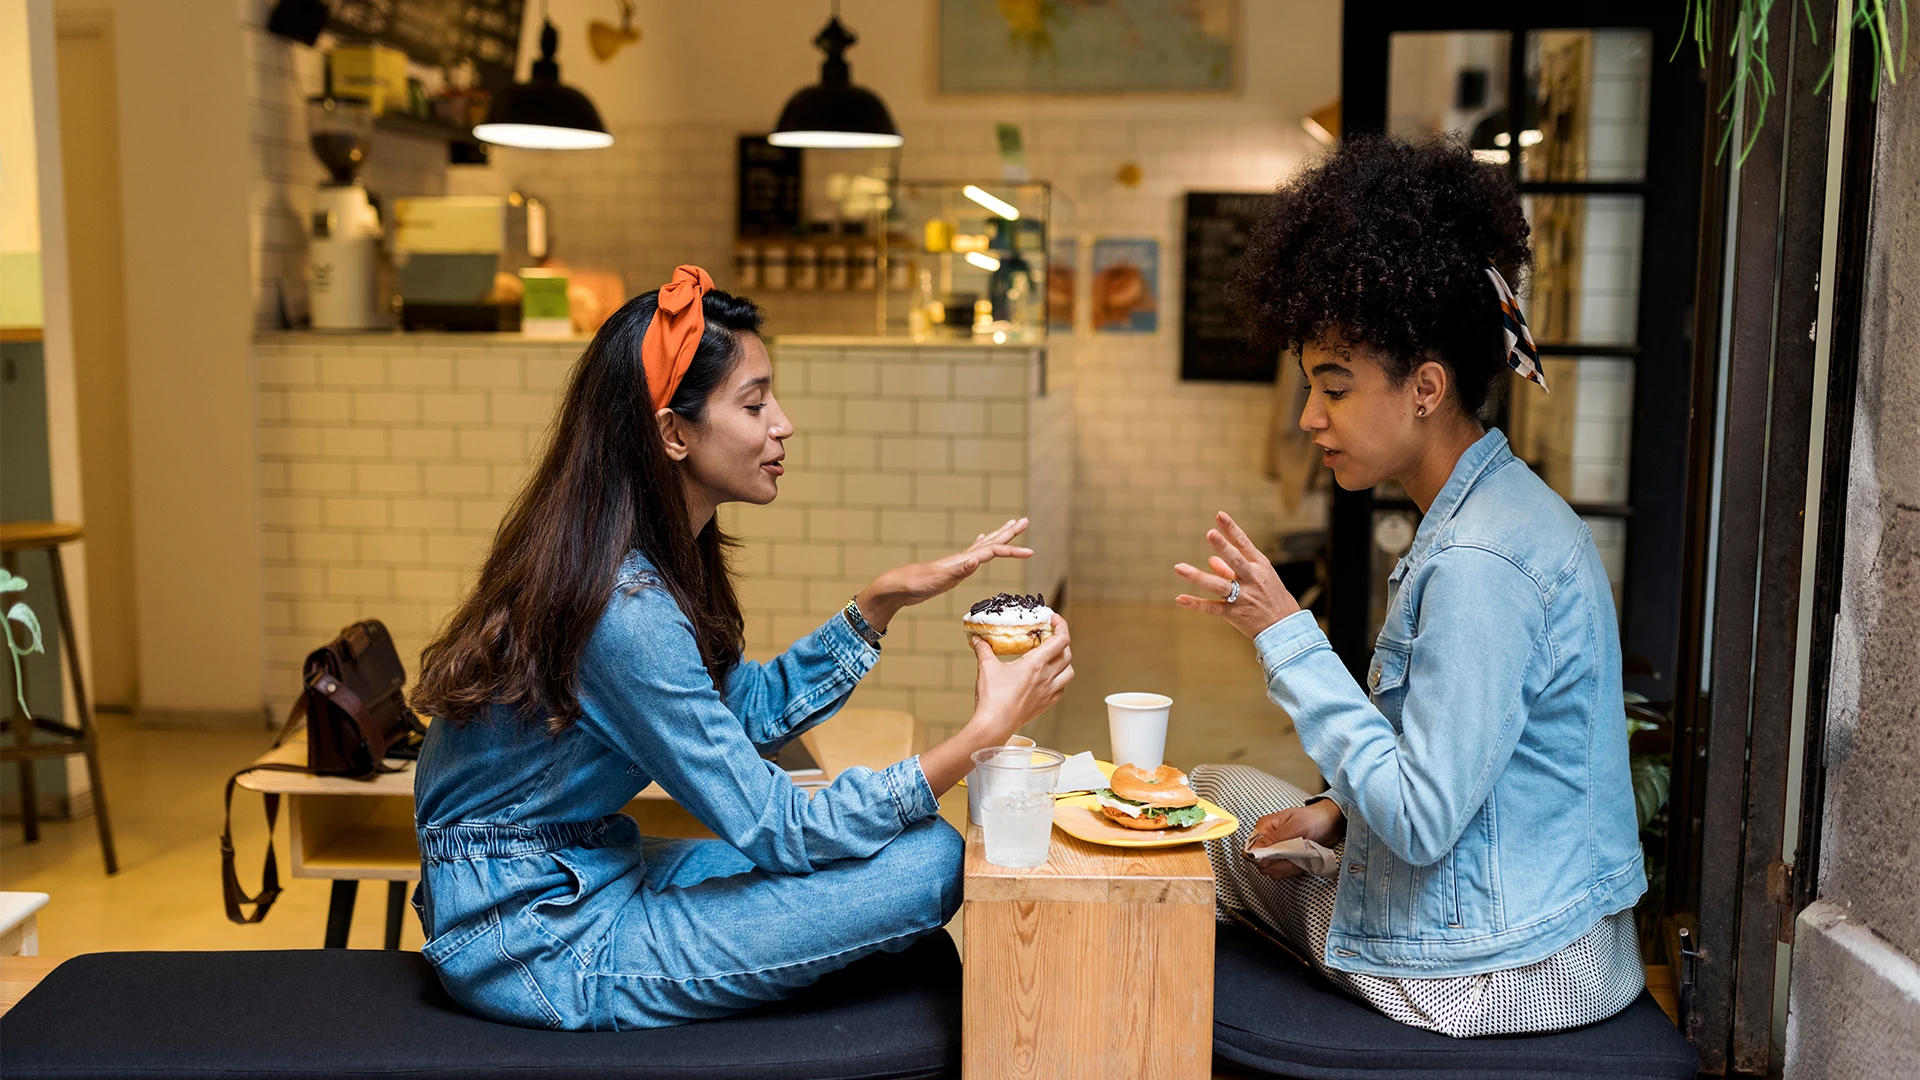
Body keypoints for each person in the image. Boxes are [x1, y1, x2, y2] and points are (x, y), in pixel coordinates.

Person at [407, 266, 1074, 1031]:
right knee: (925, 863)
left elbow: (738, 712)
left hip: (587, 870)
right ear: (673, 432)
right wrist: (982, 736)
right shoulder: (623, 612)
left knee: (915, 843)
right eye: (755, 404)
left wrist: (876, 605)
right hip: (536, 939)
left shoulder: (631, 556)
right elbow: (780, 830)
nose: (782, 423)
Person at [1174, 136, 1646, 1037]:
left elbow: (1425, 821)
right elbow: (1461, 765)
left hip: (1499, 973)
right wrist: (1332, 817)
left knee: (1205, 808)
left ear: (1426, 387)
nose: (1312, 416)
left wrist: (1286, 635)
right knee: (1250, 807)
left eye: (1335, 388)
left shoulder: (1479, 566)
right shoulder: (1500, 506)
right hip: (1548, 927)